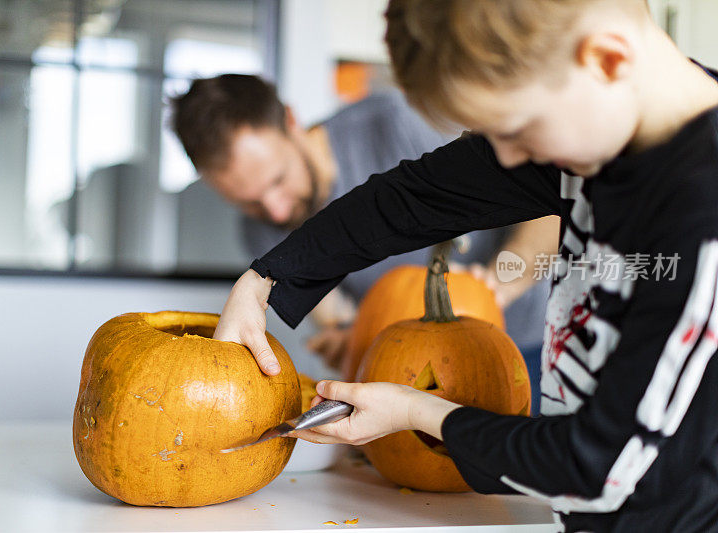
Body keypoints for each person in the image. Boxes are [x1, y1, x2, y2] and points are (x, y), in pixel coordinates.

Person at [213, 0, 718, 530]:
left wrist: (416, 412)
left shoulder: (700, 211)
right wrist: (266, 280)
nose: (506, 160)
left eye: (515, 129)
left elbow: (603, 468)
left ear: (608, 60)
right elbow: (419, 196)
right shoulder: (599, 119)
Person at [170, 75, 557, 406]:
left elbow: (544, 194)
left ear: (291, 122)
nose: (274, 211)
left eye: (278, 180)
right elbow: (338, 320)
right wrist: (346, 340)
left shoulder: (395, 120)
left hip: (525, 343)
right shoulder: (259, 231)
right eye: (249, 202)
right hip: (406, 376)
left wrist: (497, 286)